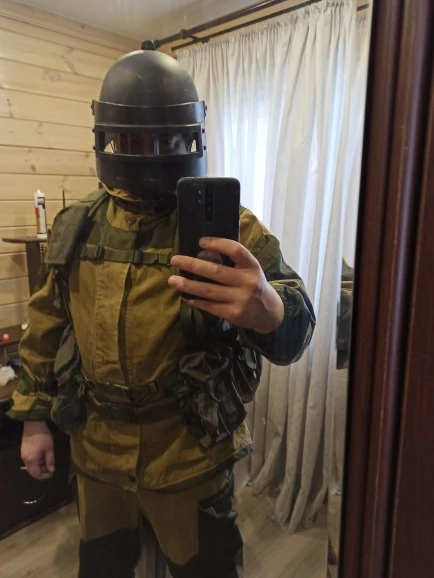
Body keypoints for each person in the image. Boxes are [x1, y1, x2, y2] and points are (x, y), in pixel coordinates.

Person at [9, 42, 316, 578]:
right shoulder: (75, 226)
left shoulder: (232, 228)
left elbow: (298, 327)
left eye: (167, 138)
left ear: (191, 137)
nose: (150, 154)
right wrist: (35, 420)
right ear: (109, 140)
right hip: (98, 453)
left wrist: (269, 310)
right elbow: (46, 327)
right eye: (134, 140)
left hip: (189, 455)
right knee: (101, 569)